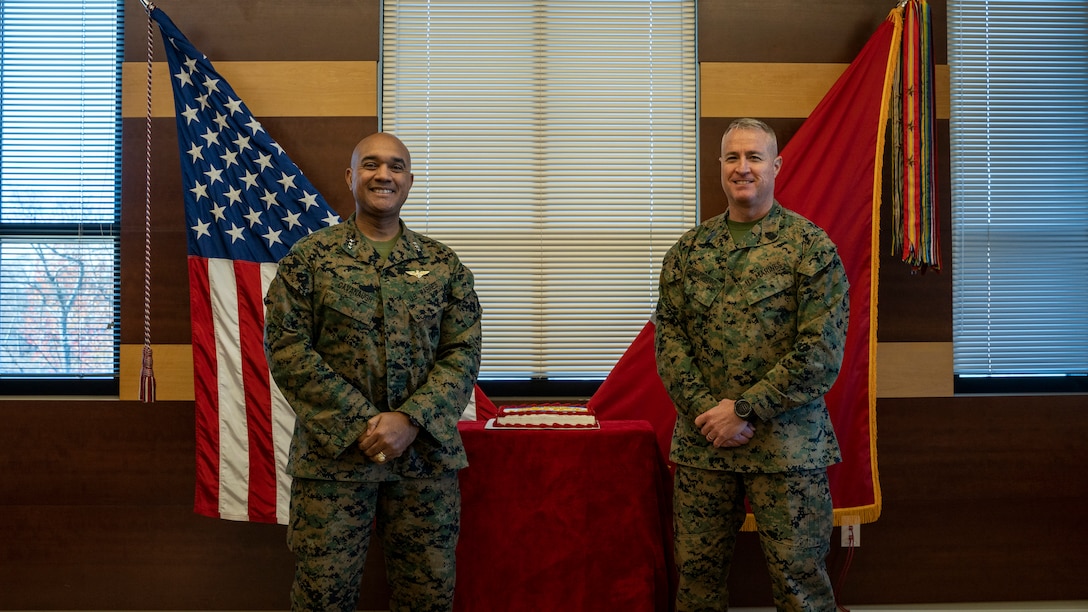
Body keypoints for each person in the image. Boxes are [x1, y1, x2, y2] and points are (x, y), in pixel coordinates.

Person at [264, 132, 482, 612]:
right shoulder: (309, 260)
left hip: (424, 462)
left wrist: (409, 421)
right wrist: (364, 424)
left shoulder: (443, 265)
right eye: (371, 165)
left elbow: (462, 352)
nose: (384, 175)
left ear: (409, 180)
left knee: (426, 599)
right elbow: (287, 348)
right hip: (334, 463)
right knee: (324, 598)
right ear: (351, 176)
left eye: (396, 166)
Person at [654, 117, 850, 612]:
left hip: (788, 449)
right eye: (733, 158)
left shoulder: (811, 248)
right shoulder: (688, 252)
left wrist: (743, 410)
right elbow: (670, 343)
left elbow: (820, 352)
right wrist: (711, 413)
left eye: (755, 157)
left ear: (776, 166)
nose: (743, 168)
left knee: (801, 588)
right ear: (720, 167)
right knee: (696, 585)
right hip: (705, 447)